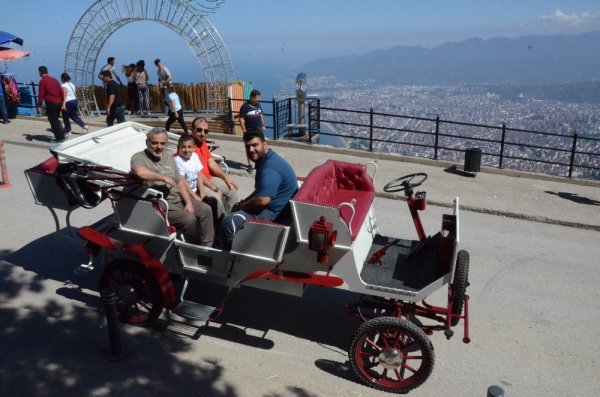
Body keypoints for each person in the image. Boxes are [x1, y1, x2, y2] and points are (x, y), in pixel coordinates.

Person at [131, 128, 214, 246]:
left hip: (177, 199)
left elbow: (180, 182)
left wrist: (189, 203)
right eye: (154, 143)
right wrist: (163, 177)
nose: (159, 147)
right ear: (147, 143)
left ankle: (207, 246)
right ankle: (193, 249)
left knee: (206, 210)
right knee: (189, 219)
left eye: (162, 143)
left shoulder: (168, 158)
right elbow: (139, 171)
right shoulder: (139, 157)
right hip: (161, 203)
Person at [220, 129, 297, 249]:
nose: (251, 150)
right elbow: (261, 191)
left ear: (265, 145)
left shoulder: (269, 169)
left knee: (229, 222)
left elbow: (262, 200)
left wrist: (242, 206)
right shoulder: (268, 160)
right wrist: (243, 202)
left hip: (275, 216)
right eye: (247, 146)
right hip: (280, 210)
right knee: (235, 209)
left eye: (255, 145)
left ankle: (229, 256)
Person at [191, 117, 239, 220]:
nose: (203, 133)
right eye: (199, 130)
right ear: (192, 130)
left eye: (206, 131)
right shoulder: (188, 147)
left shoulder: (203, 143)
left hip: (209, 179)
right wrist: (215, 188)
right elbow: (197, 173)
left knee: (232, 189)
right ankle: (219, 228)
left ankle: (231, 220)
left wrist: (226, 178)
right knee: (216, 199)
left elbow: (211, 163)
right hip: (198, 184)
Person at [36, 66, 65, 141]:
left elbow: (41, 94)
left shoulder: (42, 81)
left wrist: (39, 105)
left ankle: (59, 138)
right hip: (59, 103)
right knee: (56, 119)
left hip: (51, 103)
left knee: (53, 121)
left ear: (40, 72)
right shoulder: (54, 80)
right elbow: (61, 91)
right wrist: (62, 102)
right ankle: (62, 134)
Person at [239, 89, 266, 172]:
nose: (259, 99)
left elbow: (260, 114)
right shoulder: (245, 107)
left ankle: (258, 163)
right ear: (252, 98)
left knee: (260, 146)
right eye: (258, 98)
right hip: (249, 130)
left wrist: (263, 125)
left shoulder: (258, 105)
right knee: (249, 148)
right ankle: (249, 165)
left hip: (258, 129)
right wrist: (244, 130)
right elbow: (241, 119)